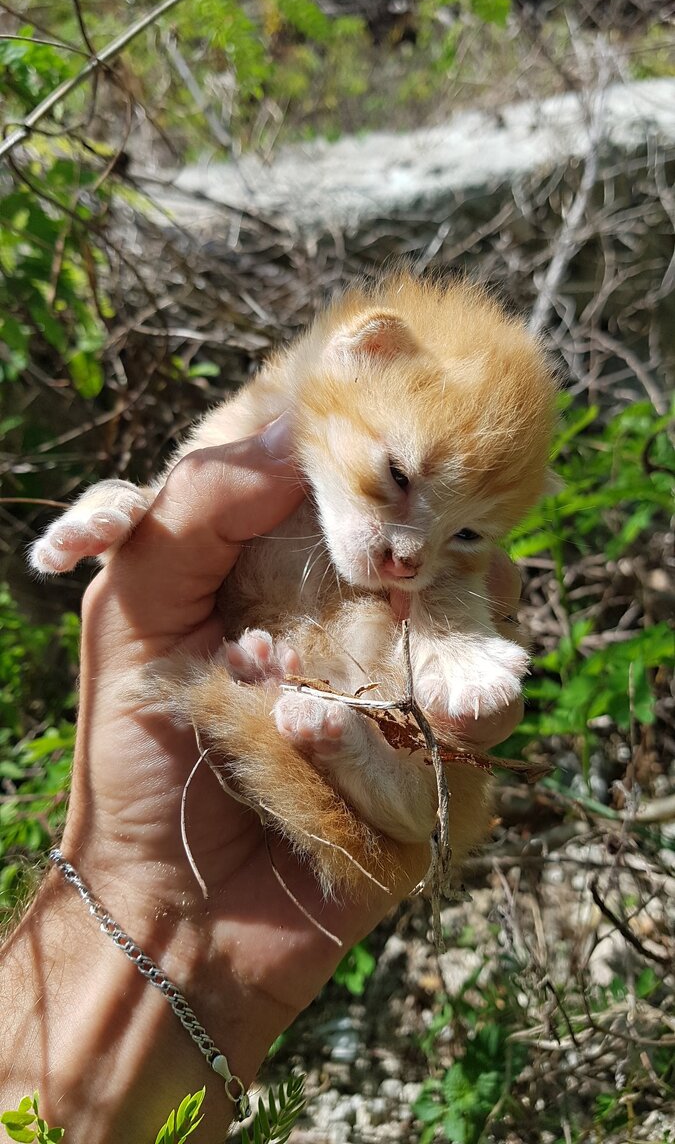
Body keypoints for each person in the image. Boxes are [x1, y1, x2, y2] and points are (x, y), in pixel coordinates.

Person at [0, 416, 523, 1142]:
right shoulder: (278, 436)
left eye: (464, 529)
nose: (406, 556)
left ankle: (353, 752)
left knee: (425, 720)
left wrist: (452, 629)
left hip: (333, 715)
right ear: (354, 356)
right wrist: (139, 507)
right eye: (397, 478)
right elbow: (188, 507)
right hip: (283, 697)